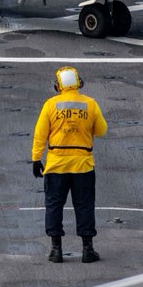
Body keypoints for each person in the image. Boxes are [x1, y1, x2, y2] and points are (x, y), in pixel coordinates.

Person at [30, 66, 108, 263]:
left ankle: (56, 249)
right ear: (78, 83)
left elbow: (40, 135)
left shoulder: (51, 105)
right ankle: (87, 248)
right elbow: (101, 130)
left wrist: (36, 158)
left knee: (54, 205)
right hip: (83, 165)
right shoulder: (89, 104)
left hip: (56, 165)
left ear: (58, 86)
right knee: (84, 205)